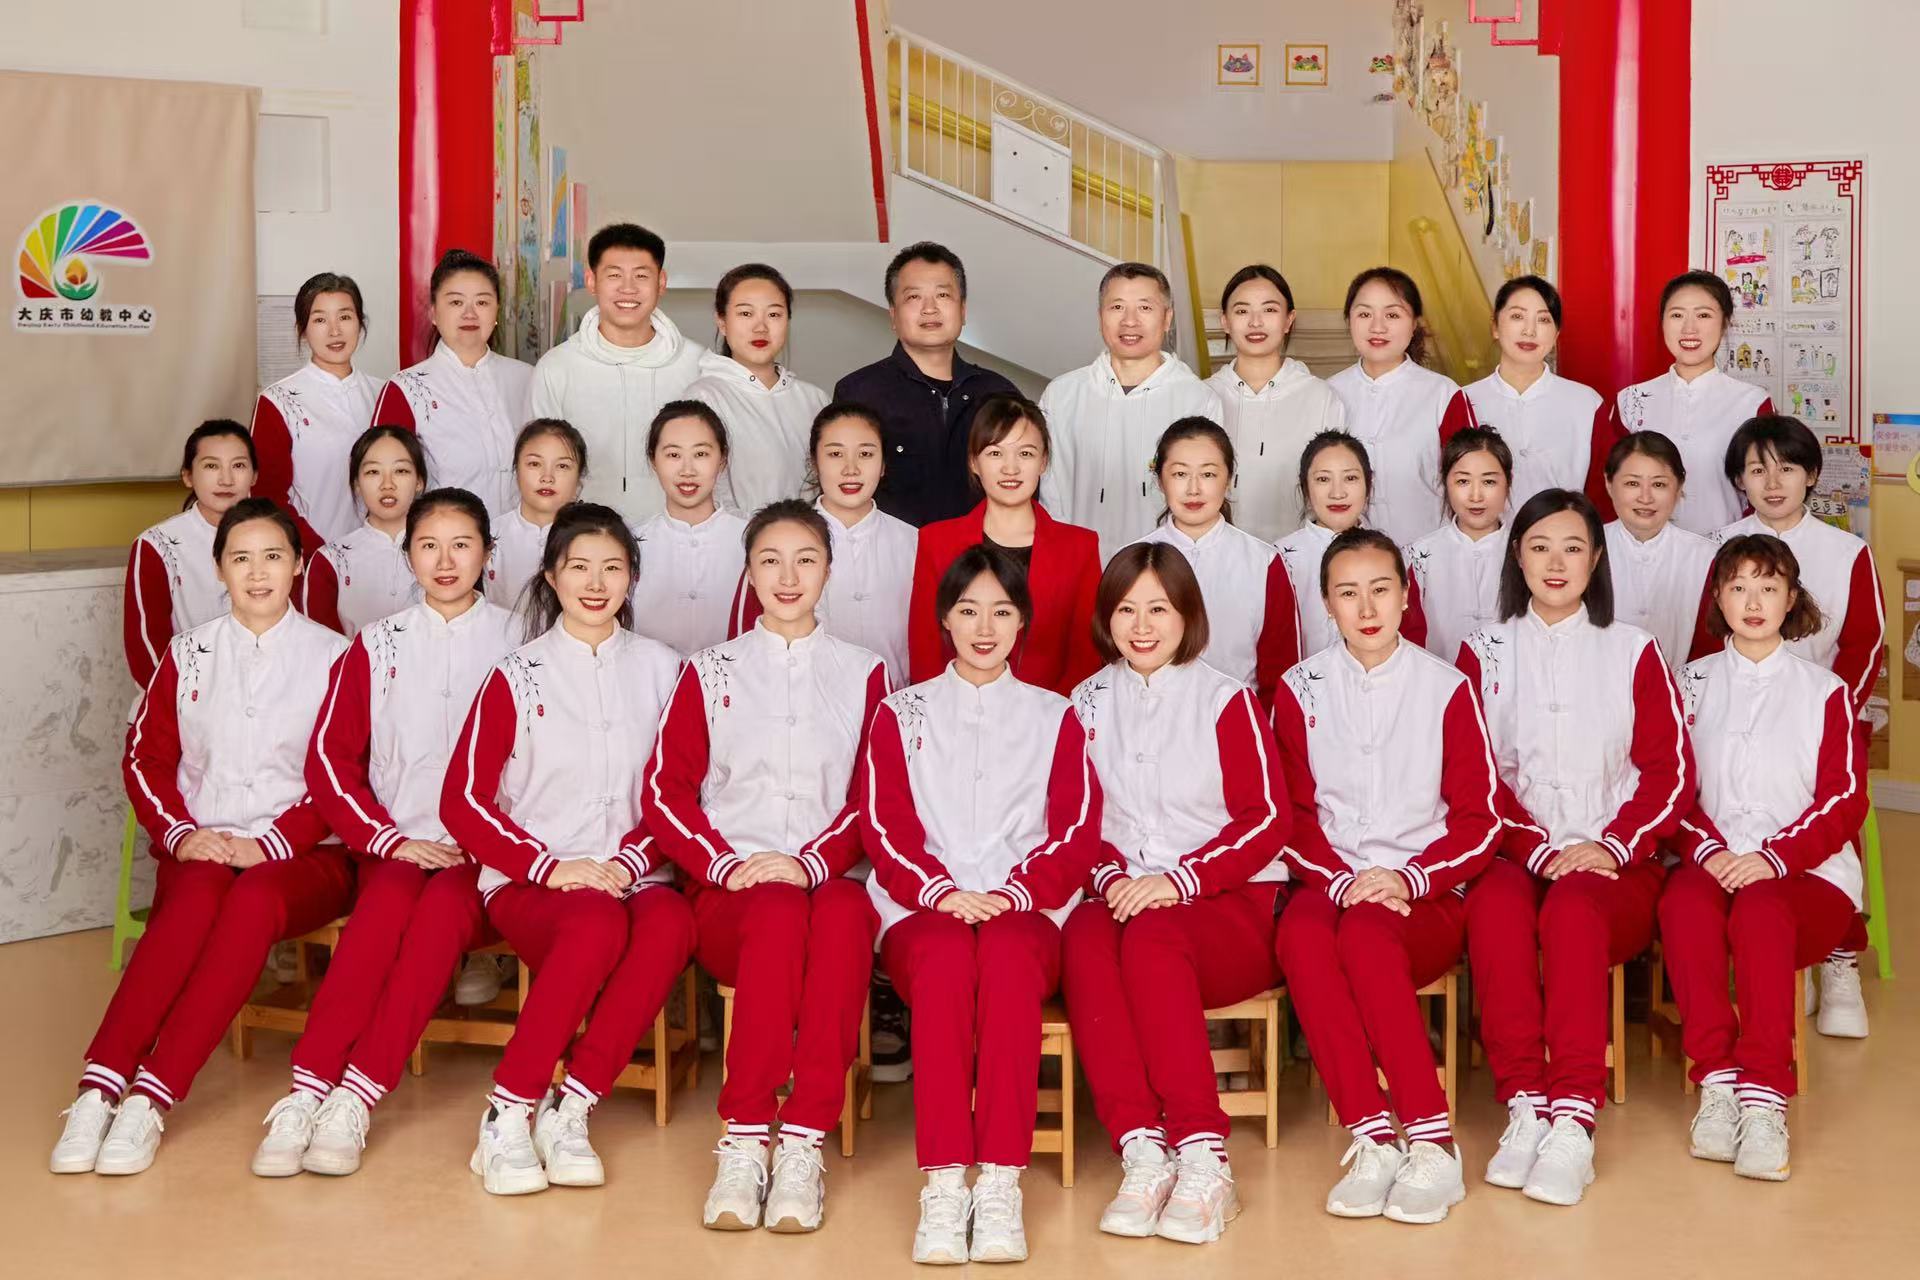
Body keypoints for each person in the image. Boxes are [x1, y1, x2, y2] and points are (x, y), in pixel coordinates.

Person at [52, 500, 353, 1176]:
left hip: (306, 858)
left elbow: (348, 773)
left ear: (298, 565)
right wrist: (182, 833)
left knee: (252, 901)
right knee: (192, 900)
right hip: (205, 844)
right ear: (219, 570)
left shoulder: (336, 658)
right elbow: (145, 758)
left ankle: (150, 1098)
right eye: (241, 558)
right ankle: (99, 1088)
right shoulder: (188, 654)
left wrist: (273, 843)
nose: (258, 573)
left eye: (273, 557)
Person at [250, 487, 518, 1177]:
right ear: (408, 556)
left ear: (488, 554)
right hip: (395, 842)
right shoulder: (376, 643)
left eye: (461, 545)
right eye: (428, 546)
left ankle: (357, 1097)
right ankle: (307, 1088)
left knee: (437, 921)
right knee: (382, 911)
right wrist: (388, 839)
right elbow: (330, 760)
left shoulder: (523, 641)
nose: (445, 561)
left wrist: (494, 843)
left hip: (486, 855)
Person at [644, 500, 889, 1233]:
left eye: (805, 560)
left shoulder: (865, 672)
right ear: (748, 574)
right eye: (770, 561)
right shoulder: (709, 670)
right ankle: (746, 1138)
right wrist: (725, 865)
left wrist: (812, 864)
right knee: (779, 910)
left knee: (844, 913)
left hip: (830, 880)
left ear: (829, 571)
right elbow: (665, 793)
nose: (788, 576)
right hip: (733, 894)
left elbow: (874, 798)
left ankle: (804, 1142)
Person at [440, 503, 694, 1196]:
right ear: (551, 577)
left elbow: (681, 789)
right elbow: (462, 801)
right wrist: (551, 866)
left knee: (672, 922)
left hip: (635, 873)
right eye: (579, 567)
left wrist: (631, 861)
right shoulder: (516, 675)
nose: (596, 582)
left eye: (612, 567)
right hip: (532, 881)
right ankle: (508, 1110)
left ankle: (571, 1108)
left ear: (632, 577)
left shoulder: (665, 669)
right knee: (596, 921)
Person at [861, 544, 1102, 1265]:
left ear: (1023, 620)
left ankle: (999, 1181)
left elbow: (1076, 830)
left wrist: (1013, 893)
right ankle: (942, 1182)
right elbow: (883, 826)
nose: (985, 627)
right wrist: (939, 891)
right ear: (945, 618)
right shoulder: (900, 713)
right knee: (941, 962)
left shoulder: (1056, 716)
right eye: (969, 610)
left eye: (1002, 611)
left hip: (1026, 911)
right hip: (920, 909)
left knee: (1003, 960)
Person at [1457, 489, 1691, 1208]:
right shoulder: (1483, 651)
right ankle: (1525, 1102)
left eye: (1572, 548)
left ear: (1596, 559)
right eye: (1539, 547)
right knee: (1494, 909)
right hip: (1514, 855)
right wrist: (1533, 849)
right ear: (1516, 556)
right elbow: (1471, 777)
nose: (1555, 563)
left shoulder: (1633, 649)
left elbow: (1671, 773)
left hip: (1614, 866)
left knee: (1573, 910)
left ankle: (1574, 1118)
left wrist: (1613, 846)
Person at [1061, 543, 1288, 1245]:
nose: (1142, 626)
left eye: (1158, 608)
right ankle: (1141, 1149)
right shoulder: (1085, 703)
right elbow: (1073, 820)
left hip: (1229, 911)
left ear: (1187, 614)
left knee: (1153, 935)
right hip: (1123, 899)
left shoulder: (1225, 699)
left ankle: (1203, 1155)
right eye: (1126, 609)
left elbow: (1268, 820)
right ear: (1105, 618)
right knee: (1084, 937)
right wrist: (1111, 878)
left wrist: (1179, 880)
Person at [1272, 527, 1499, 1224]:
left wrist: (1411, 879)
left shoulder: (1446, 687)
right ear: (1326, 604)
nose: (1366, 608)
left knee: (1367, 937)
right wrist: (1341, 881)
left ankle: (1432, 1143)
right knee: (1301, 938)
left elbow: (1480, 819)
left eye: (1380, 589)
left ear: (1406, 595)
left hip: (1422, 894)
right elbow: (1293, 817)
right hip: (1330, 881)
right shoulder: (1299, 689)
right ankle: (1372, 1137)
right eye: (1348, 593)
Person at [1660, 534, 1866, 1182]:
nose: (1753, 602)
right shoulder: (1688, 684)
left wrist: (1775, 858)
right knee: (1682, 905)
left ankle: (1765, 1096)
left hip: (1806, 876)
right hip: (1712, 862)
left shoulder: (1825, 691)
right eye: (1739, 587)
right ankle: (1718, 1083)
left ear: (1791, 598)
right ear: (1718, 599)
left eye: (1769, 587)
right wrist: (1709, 848)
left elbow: (1845, 800)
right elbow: (1668, 788)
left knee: (1759, 912)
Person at [1689, 414, 1883, 1036]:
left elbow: (1865, 643)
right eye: (1756, 470)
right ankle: (1761, 956)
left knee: (1831, 811)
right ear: (1739, 480)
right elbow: (1705, 642)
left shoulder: (1846, 550)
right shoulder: (1718, 545)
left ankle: (1839, 956)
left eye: (1788, 468)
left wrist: (1825, 713)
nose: (1772, 483)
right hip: (1730, 710)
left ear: (1812, 475)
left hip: (1824, 714)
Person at [907, 394, 1101, 695]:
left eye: (1025, 454)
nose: (1011, 468)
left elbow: (1085, 658)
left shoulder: (1080, 547)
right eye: (995, 453)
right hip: (953, 712)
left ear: (1043, 462)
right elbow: (925, 652)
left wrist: (1051, 715)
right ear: (974, 462)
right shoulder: (936, 541)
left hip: (1051, 712)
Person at [1040, 262, 1223, 561]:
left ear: (1167, 318)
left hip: (1163, 568)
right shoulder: (1062, 394)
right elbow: (1050, 492)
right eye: (1117, 307)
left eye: (1144, 308)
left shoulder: (1197, 400)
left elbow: (1204, 494)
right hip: (1077, 565)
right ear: (1100, 316)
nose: (1129, 321)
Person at [833, 242, 1019, 527]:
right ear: (893, 315)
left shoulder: (999, 394)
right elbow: (840, 496)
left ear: (963, 310)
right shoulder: (859, 393)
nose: (930, 309)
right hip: (893, 552)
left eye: (943, 295)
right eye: (914, 297)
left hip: (982, 553)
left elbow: (1024, 491)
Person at [730, 402, 916, 686]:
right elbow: (745, 643)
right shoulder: (776, 539)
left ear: (883, 465)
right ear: (814, 462)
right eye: (835, 454)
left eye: (865, 454)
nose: (851, 469)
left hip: (895, 702)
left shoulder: (914, 542)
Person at [531, 223, 704, 525]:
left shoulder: (697, 365)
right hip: (584, 536)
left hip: (677, 531)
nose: (628, 288)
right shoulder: (557, 367)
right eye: (614, 275)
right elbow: (536, 464)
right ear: (591, 281)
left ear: (661, 282)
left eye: (641, 275)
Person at [1133, 419, 1299, 708]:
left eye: (1208, 474)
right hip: (1148, 718)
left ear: (1229, 479)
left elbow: (1282, 672)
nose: (1194, 489)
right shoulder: (1132, 559)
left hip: (1240, 719)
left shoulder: (1264, 562)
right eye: (1180, 474)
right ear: (1160, 480)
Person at [1439, 276, 1613, 520]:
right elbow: (1447, 487)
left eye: (1543, 320)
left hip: (1563, 537)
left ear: (1556, 334)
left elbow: (1604, 492)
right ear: (1495, 327)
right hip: (1485, 538)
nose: (1529, 331)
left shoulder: (1586, 403)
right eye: (1517, 316)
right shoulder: (1464, 400)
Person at [373, 249, 531, 516]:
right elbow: (383, 484)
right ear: (434, 313)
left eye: (482, 302)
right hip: (443, 536)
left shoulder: (527, 378)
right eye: (456, 302)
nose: (470, 313)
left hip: (520, 536)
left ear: (496, 310)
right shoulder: (406, 389)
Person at [1613, 271, 1771, 534]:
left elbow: (1766, 489)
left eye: (1703, 315)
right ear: (1662, 322)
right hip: (1646, 548)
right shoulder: (1630, 400)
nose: (1689, 328)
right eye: (1677, 315)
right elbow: (1613, 485)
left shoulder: (1753, 403)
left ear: (1725, 323)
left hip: (1727, 550)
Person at [1204, 264, 1347, 543]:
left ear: (1288, 319)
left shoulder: (1319, 397)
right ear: (1225, 321)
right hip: (1221, 552)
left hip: (1300, 553)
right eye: (1242, 311)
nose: (1255, 322)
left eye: (1269, 310)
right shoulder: (1205, 396)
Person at [250, 272, 380, 552]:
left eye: (345, 317)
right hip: (313, 555)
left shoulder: (384, 393)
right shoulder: (278, 401)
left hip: (382, 553)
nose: (335, 331)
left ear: (360, 323)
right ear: (303, 329)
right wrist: (319, 554)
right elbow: (268, 497)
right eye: (320, 320)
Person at [1329, 267, 1458, 545]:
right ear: (1349, 321)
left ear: (1414, 324)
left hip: (1427, 549)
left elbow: (1467, 479)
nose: (1377, 327)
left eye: (1393, 315)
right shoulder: (1328, 393)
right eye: (1365, 314)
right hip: (1348, 556)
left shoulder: (1444, 394)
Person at [124, 420, 256, 691]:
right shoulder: (157, 545)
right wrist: (189, 698)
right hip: (183, 696)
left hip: (264, 692)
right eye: (211, 466)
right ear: (187, 476)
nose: (226, 479)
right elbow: (145, 651)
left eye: (239, 465)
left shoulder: (279, 540)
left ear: (254, 476)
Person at [689, 263, 828, 514]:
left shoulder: (815, 399)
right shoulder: (703, 398)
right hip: (736, 537)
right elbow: (702, 493)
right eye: (745, 313)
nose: (761, 327)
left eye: (774, 315)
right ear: (722, 322)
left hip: (809, 536)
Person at [1276, 431, 1428, 656]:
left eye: (1350, 478)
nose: (1337, 493)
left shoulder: (1392, 556)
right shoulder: (1279, 559)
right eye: (1323, 479)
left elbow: (1412, 643)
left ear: (1369, 483)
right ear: (1305, 487)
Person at [629, 400, 748, 657]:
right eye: (673, 455)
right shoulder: (630, 543)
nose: (687, 470)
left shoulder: (753, 540)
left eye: (701, 454)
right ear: (653, 460)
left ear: (723, 459)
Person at [299, 427, 426, 635]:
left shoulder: (444, 552)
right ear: (357, 483)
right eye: (373, 472)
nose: (387, 484)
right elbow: (320, 642)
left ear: (419, 481)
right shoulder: (330, 560)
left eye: (401, 471)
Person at [1603, 432, 1713, 673]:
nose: (1645, 498)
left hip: (1678, 687)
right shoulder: (1587, 548)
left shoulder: (1708, 556)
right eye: (1632, 483)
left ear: (1679, 487)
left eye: (1659, 484)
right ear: (1609, 484)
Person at [1406, 426, 1512, 662]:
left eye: (1489, 482)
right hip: (1438, 678)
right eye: (1463, 481)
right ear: (1445, 483)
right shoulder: (1418, 556)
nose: (1476, 496)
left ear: (1507, 483)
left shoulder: (1525, 552)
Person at [486, 418, 588, 613]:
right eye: (534, 463)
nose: (547, 477)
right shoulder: (488, 536)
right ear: (516, 469)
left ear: (579, 476)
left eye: (562, 466)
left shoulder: (597, 538)